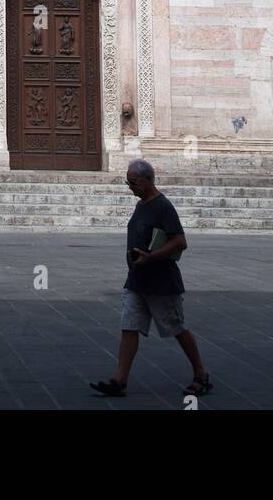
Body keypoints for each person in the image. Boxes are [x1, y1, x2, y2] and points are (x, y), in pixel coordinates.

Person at [90, 158, 211, 400]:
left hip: (161, 282)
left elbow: (180, 241)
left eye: (132, 182)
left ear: (147, 180)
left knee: (176, 328)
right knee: (129, 327)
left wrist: (151, 256)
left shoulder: (162, 206)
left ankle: (201, 374)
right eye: (128, 181)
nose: (129, 186)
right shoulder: (141, 204)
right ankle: (119, 380)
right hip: (136, 279)